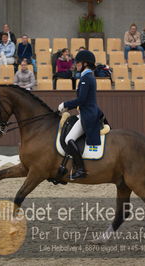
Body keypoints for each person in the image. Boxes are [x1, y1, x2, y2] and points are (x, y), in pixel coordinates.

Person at [57, 50, 104, 180]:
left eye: (77, 62)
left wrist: (64, 105)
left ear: (85, 63)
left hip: (88, 115)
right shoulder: (88, 76)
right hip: (86, 112)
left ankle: (81, 169)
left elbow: (82, 99)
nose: (75, 64)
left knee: (68, 139)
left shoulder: (86, 77)